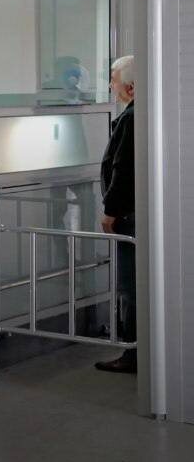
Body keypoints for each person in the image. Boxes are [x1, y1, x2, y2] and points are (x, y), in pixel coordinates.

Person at [96, 55, 137, 373]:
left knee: (130, 285)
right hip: (137, 212)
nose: (111, 86)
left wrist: (110, 211)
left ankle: (133, 353)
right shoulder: (145, 113)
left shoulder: (131, 119)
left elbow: (122, 169)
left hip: (128, 216)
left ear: (131, 88)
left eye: (114, 80)